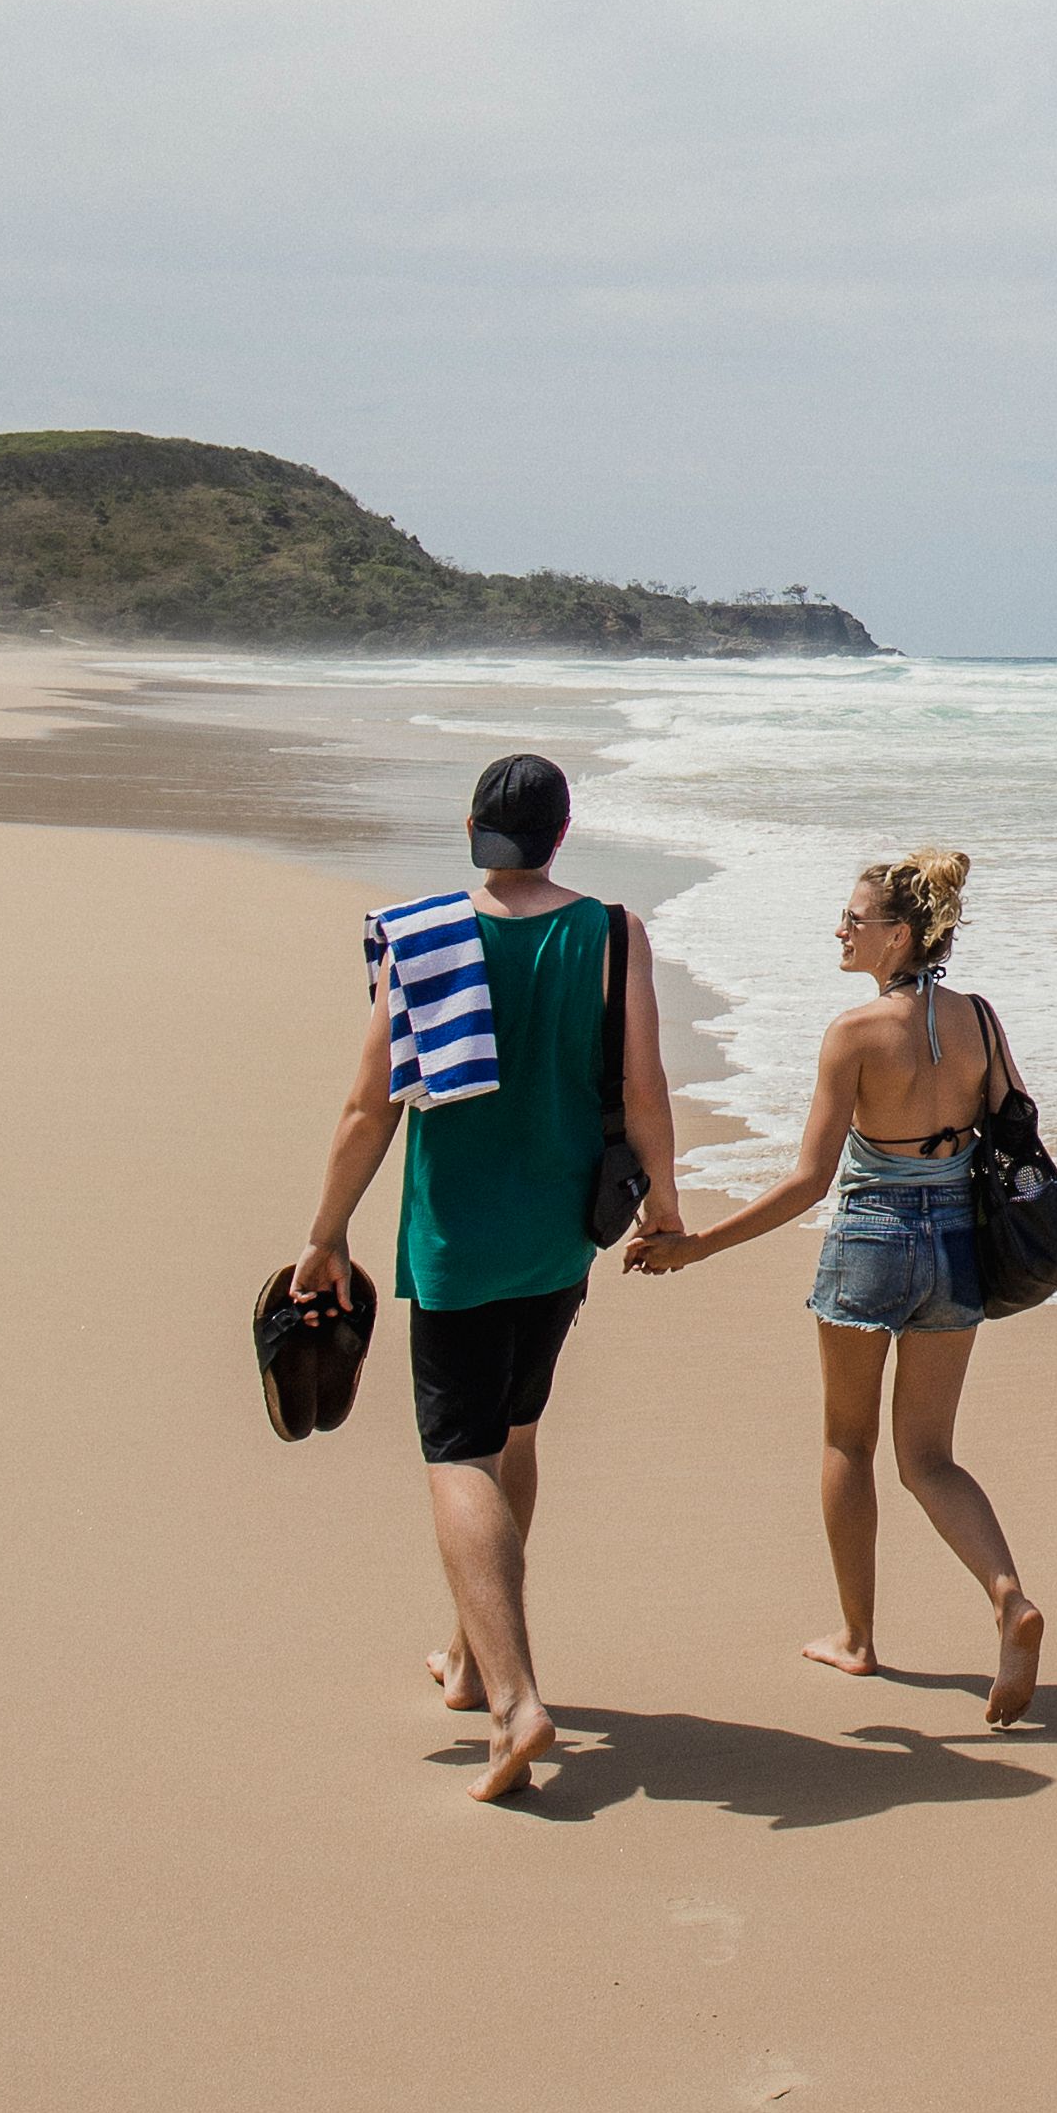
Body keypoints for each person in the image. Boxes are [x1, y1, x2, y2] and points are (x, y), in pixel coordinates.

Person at [290, 752, 680, 1800]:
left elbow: (371, 1105)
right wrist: (667, 1204)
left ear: (471, 826)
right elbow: (642, 1083)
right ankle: (468, 1655)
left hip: (459, 1237)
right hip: (562, 1232)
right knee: (513, 1433)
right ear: (560, 833)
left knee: (456, 1454)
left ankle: (515, 1700)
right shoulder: (610, 931)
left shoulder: (422, 936)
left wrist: (325, 1233)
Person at [633, 848, 1050, 1726]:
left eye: (855, 920)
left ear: (899, 935)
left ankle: (858, 1638)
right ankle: (1009, 1597)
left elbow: (809, 1180)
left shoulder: (854, 1034)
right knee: (930, 1457)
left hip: (871, 1242)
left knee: (847, 1443)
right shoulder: (979, 1016)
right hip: (957, 1251)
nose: (841, 929)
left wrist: (698, 1244)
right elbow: (1015, 1120)